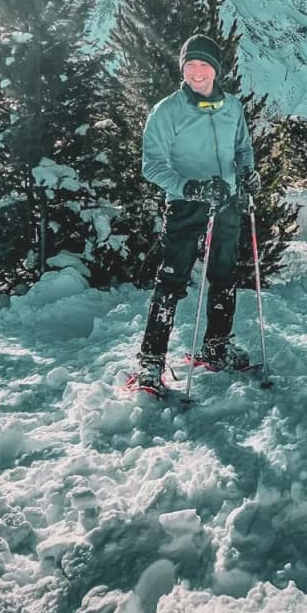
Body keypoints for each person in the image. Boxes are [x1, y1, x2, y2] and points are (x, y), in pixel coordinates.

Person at [131, 33, 261, 393]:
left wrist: (247, 173)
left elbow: (243, 149)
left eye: (204, 65)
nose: (197, 72)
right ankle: (151, 361)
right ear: (183, 69)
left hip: (227, 202)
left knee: (224, 276)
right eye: (191, 65)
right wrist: (188, 187)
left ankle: (215, 347)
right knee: (171, 280)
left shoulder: (232, 107)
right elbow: (151, 165)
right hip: (186, 204)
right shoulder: (167, 111)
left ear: (217, 70)